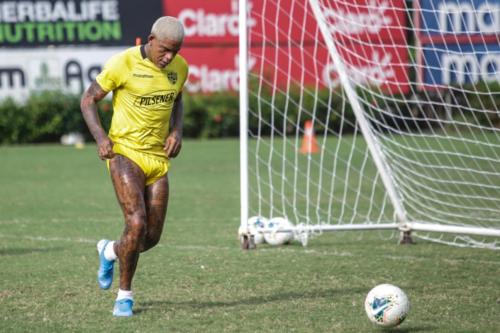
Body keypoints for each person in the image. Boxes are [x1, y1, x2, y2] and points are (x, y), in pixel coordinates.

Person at [80, 16, 188, 317]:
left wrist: (176, 130)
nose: (169, 57)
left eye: (175, 51)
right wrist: (101, 137)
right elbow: (88, 100)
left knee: (150, 237)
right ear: (150, 40)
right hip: (124, 153)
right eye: (164, 49)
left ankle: (110, 250)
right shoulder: (122, 63)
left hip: (157, 160)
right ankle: (124, 296)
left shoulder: (180, 68)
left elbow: (178, 99)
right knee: (136, 223)